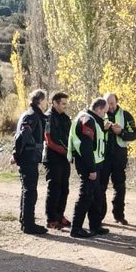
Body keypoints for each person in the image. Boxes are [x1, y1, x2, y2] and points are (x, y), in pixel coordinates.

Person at [68, 98, 111, 238]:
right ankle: (76, 228)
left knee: (96, 196)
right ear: (98, 109)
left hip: (95, 164)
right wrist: (92, 169)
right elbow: (86, 147)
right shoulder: (88, 120)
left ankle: (95, 226)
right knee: (85, 196)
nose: (104, 115)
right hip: (88, 165)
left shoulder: (91, 119)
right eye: (104, 112)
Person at [14, 89, 49, 235]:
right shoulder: (32, 115)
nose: (47, 102)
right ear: (40, 101)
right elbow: (21, 137)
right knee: (30, 192)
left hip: (29, 158)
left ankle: (25, 221)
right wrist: (16, 154)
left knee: (27, 190)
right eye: (46, 99)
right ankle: (29, 224)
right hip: (28, 158)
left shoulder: (33, 114)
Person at [100, 93, 136, 225]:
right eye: (107, 103)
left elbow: (134, 135)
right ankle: (98, 217)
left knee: (120, 187)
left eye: (112, 103)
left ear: (117, 102)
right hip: (103, 157)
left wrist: (121, 132)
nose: (110, 106)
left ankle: (119, 215)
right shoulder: (99, 115)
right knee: (100, 188)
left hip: (119, 157)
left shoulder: (126, 115)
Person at [43, 91, 73, 230]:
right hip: (52, 157)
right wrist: (64, 150)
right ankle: (51, 219)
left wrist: (71, 151)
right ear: (54, 103)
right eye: (63, 104)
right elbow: (49, 140)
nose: (65, 106)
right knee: (54, 189)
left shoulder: (66, 118)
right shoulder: (48, 117)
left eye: (66, 104)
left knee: (64, 189)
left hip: (65, 158)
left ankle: (60, 215)